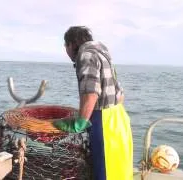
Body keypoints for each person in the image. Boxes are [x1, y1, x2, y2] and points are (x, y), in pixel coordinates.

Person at [54, 26, 133, 180]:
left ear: (71, 44)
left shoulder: (86, 55)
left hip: (104, 123)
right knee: (119, 170)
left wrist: (81, 122)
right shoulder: (102, 53)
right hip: (119, 118)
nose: (66, 51)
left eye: (65, 46)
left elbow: (91, 93)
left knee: (105, 172)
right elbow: (120, 94)